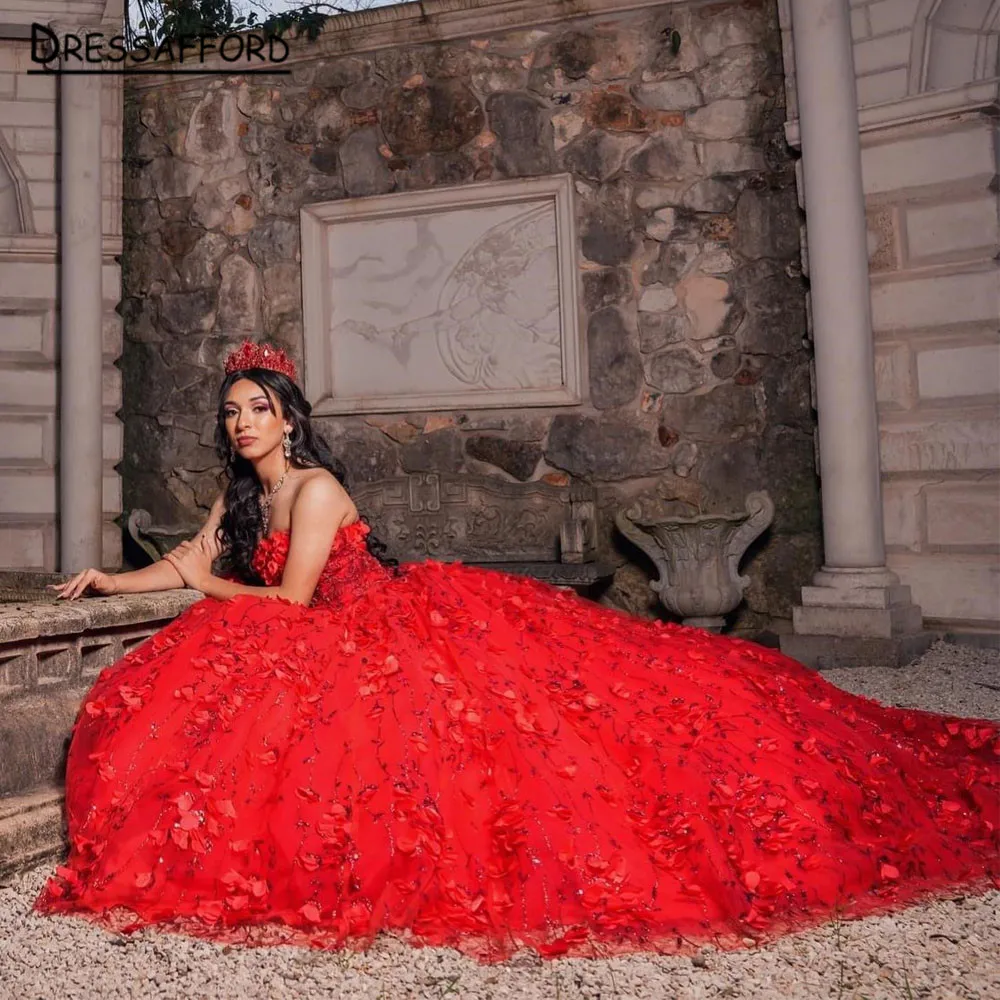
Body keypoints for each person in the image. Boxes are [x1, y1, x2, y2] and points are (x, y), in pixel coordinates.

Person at [35, 341, 999, 963]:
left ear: (288, 417)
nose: (242, 423)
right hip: (316, 632)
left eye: (256, 408)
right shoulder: (242, 491)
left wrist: (206, 587)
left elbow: (288, 599)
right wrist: (113, 582)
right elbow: (191, 557)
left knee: (545, 732)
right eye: (231, 412)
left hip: (376, 624)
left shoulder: (316, 490)